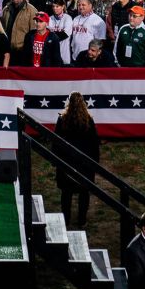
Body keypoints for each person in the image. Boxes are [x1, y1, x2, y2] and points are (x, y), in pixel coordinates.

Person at [55, 92, 100, 228]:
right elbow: (94, 143)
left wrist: (55, 159)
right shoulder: (88, 120)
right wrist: (95, 163)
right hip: (85, 163)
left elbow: (56, 141)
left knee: (66, 194)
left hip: (66, 161)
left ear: (69, 102)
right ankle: (82, 220)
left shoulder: (62, 119)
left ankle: (66, 220)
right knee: (84, 192)